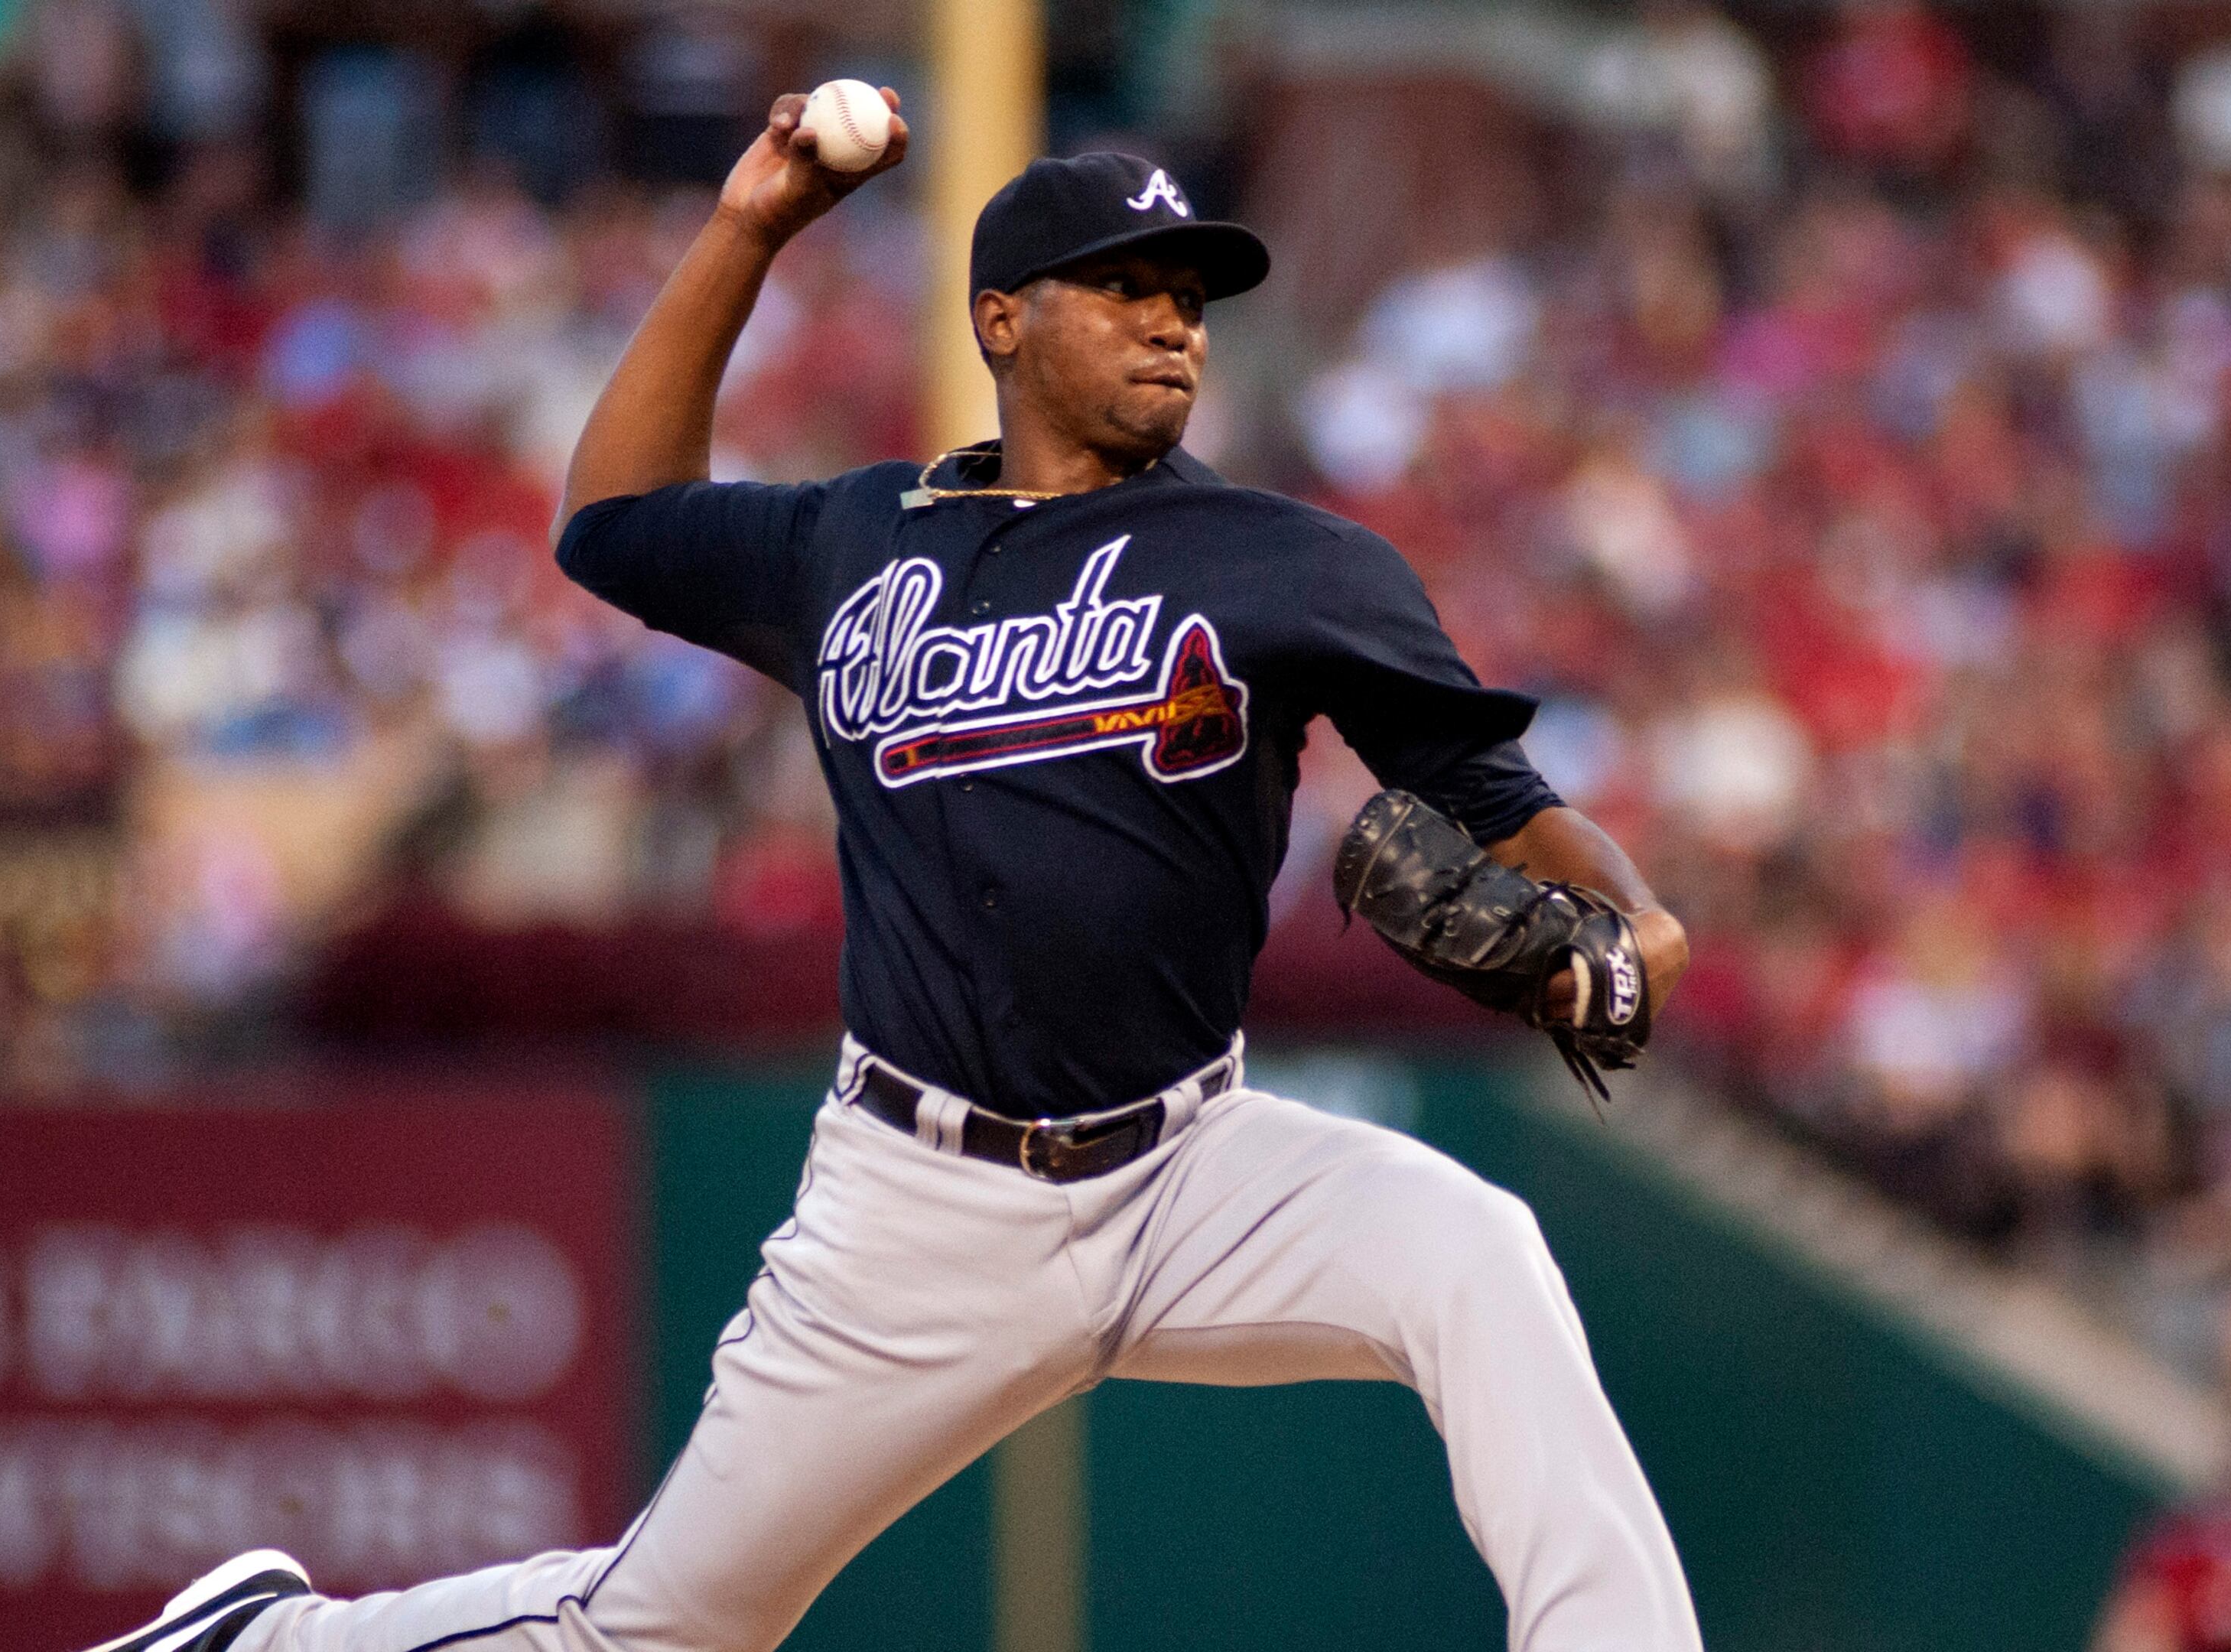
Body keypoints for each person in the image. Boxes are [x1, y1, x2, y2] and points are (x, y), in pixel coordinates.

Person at [90, 88, 1703, 1652]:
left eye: (1191, 297)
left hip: (1197, 1171)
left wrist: (1635, 925)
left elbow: (1493, 792)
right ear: (1002, 322)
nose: (1175, 323)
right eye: (1126, 288)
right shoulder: (856, 543)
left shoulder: (1294, 564)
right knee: (662, 1628)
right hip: (921, 1205)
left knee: (1475, 1253)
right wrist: (750, 229)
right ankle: (269, 1638)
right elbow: (615, 518)